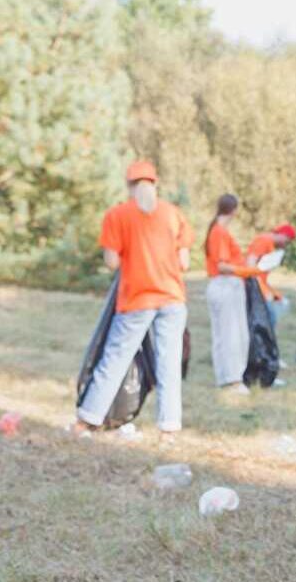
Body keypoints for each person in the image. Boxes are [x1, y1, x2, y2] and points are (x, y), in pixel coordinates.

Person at [72, 161, 194, 442]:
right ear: (155, 183)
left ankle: (88, 420)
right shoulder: (173, 214)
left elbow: (112, 262)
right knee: (169, 363)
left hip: (137, 299)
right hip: (172, 298)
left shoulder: (118, 215)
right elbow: (184, 263)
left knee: (115, 358)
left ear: (129, 185)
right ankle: (169, 429)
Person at [204, 193, 260, 394]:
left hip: (224, 286)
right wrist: (246, 271)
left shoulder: (217, 230)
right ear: (234, 210)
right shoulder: (219, 232)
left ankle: (227, 378)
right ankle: (232, 380)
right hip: (226, 285)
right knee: (232, 334)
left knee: (225, 334)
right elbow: (222, 265)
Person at [245, 223, 296, 330]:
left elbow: (261, 274)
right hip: (253, 287)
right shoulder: (264, 240)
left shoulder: (270, 245)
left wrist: (275, 294)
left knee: (267, 318)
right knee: (269, 317)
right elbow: (250, 262)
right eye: (287, 241)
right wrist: (259, 288)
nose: (285, 245)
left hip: (258, 287)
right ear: (283, 234)